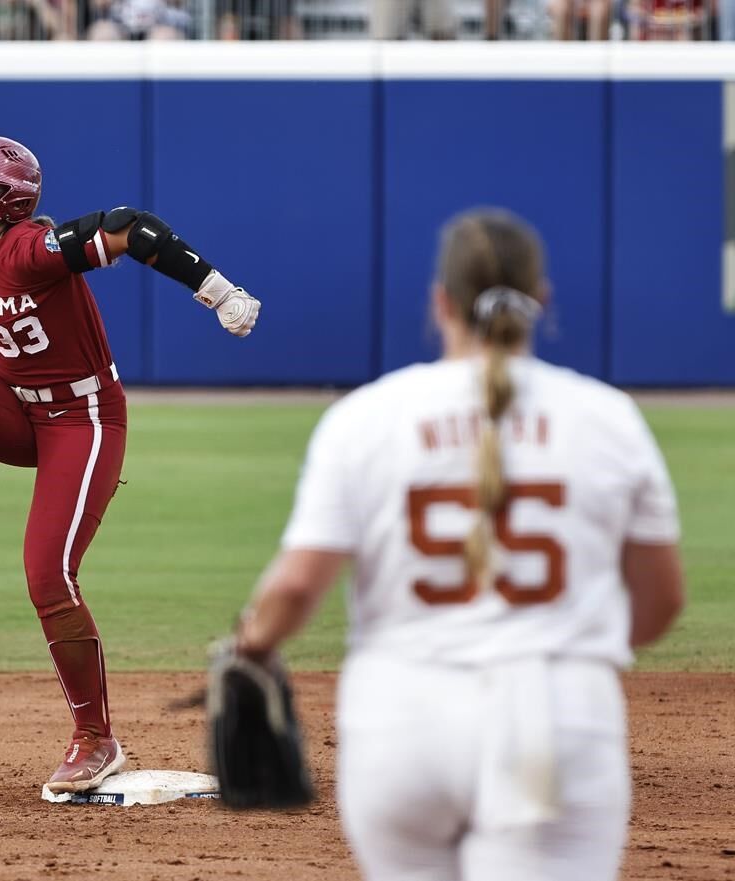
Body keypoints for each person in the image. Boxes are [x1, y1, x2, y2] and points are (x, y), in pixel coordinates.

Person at [232, 208, 685, 881]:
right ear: (544, 300)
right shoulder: (608, 418)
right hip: (555, 721)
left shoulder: (367, 416)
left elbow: (297, 587)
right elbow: (659, 604)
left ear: (439, 301)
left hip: (401, 720)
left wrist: (252, 645)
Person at [0, 135, 259, 792]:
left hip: (83, 420)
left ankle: (96, 740)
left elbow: (129, 226)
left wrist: (215, 290)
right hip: (17, 409)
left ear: (11, 200)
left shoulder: (29, 248)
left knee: (48, 573)